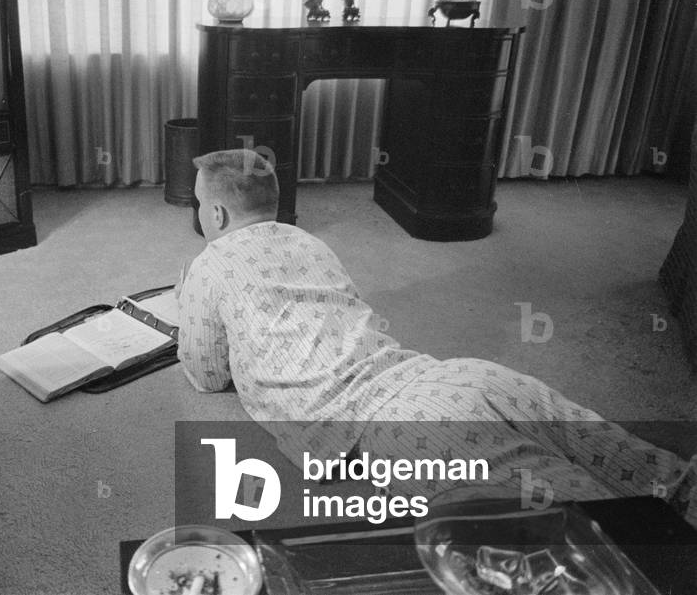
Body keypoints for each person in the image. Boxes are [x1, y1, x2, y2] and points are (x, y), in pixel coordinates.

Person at [176, 148, 696, 523]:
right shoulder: (308, 243)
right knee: (629, 458)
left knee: (588, 531)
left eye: (199, 204)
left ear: (215, 214)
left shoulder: (210, 264)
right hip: (458, 375)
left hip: (391, 421)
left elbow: (207, 372)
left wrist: (189, 304)